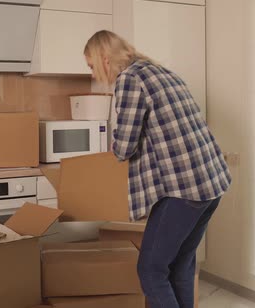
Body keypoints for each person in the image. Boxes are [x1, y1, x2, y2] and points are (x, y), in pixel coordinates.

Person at [84, 30, 231, 308]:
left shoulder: (129, 79)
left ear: (105, 58)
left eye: (92, 66)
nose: (93, 75)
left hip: (184, 189)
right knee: (180, 266)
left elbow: (124, 145)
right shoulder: (161, 72)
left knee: (150, 269)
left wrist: (106, 154)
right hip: (211, 184)